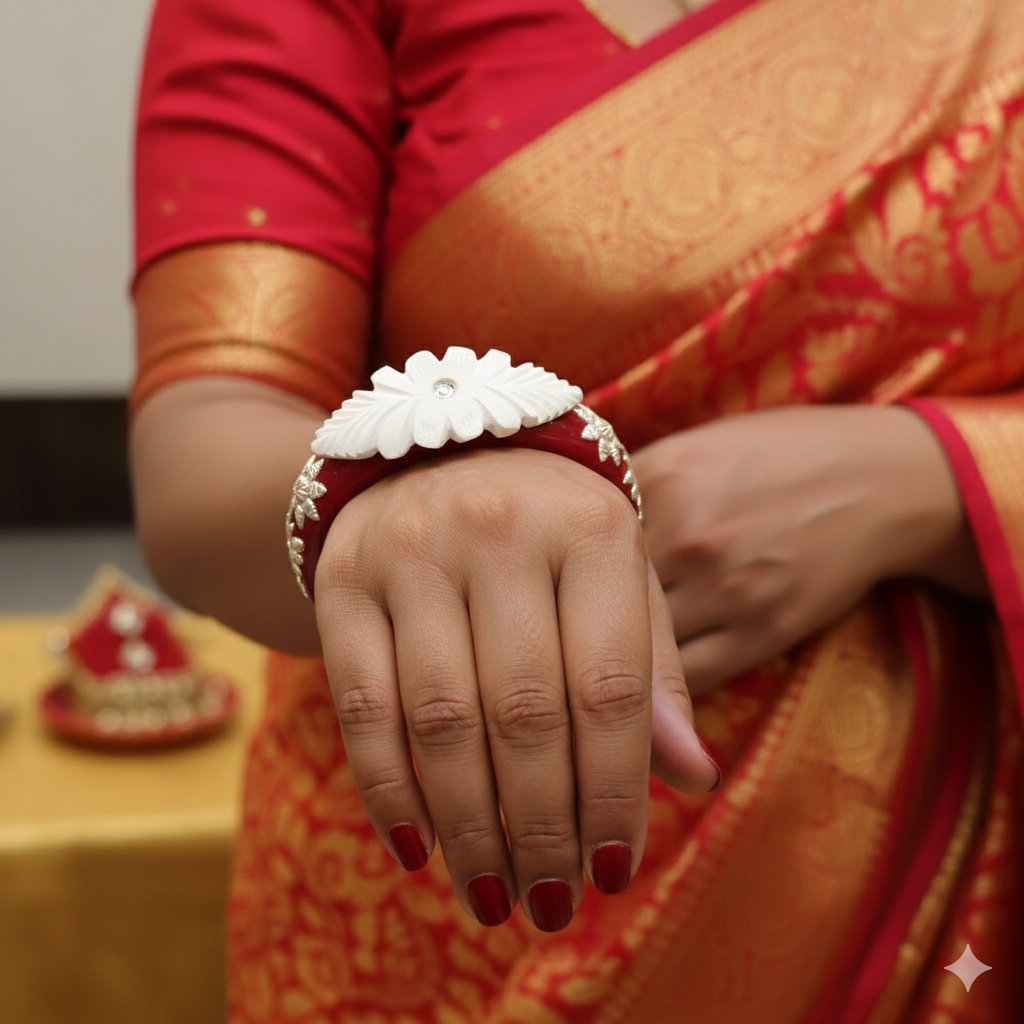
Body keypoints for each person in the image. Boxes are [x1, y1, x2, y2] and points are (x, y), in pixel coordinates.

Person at [130, 0, 1024, 1019]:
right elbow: (203, 437)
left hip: (957, 888)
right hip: (467, 870)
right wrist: (414, 484)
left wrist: (935, 479)